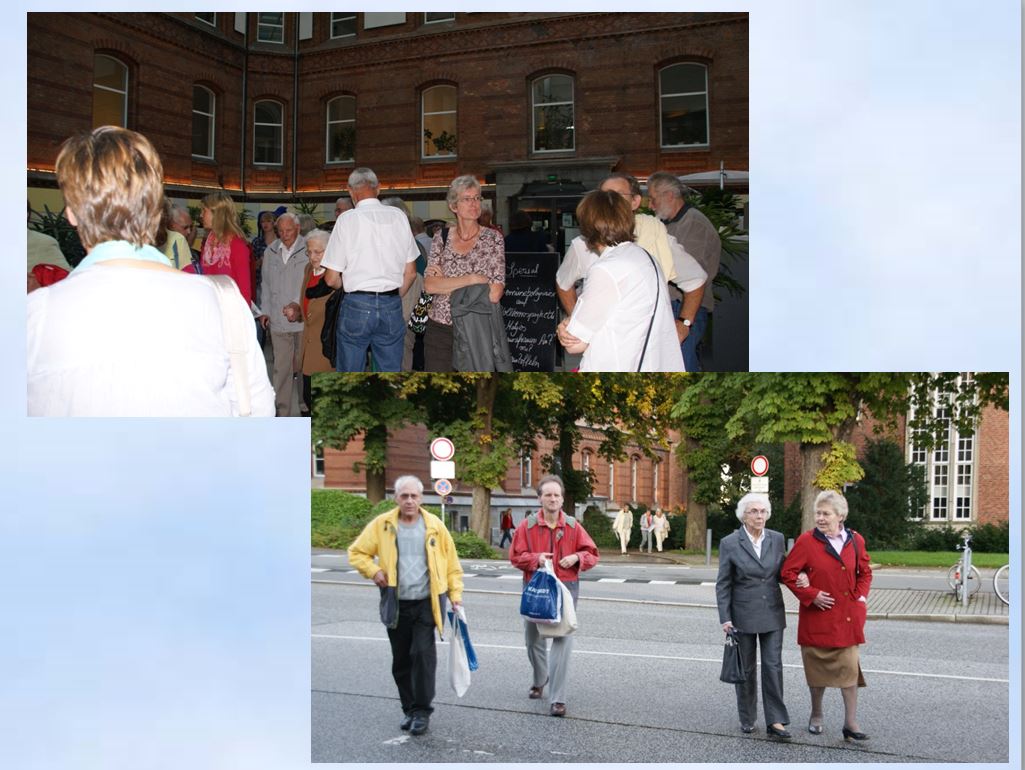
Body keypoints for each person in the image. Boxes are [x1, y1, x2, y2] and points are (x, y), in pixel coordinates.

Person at [27, 126, 274, 416]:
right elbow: (258, 411)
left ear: (71, 212)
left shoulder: (35, 316)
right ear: (157, 211)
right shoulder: (223, 303)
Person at [347, 475, 464, 737]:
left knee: (422, 656)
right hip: (396, 601)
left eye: (414, 496)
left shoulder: (434, 526)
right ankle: (409, 709)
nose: (409, 501)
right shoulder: (383, 525)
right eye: (404, 496)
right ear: (396, 498)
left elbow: (452, 565)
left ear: (421, 498)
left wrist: (456, 595)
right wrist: (373, 571)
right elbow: (356, 553)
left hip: (427, 602)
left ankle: (422, 712)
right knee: (401, 661)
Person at [555, 190, 684, 371]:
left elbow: (574, 344)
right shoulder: (645, 257)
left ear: (587, 227)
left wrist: (564, 327)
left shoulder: (606, 269)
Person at [781, 490, 873, 741]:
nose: (820, 518)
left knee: (850, 672)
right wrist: (811, 594)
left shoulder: (855, 540)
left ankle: (851, 723)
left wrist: (861, 599)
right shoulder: (807, 541)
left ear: (840, 515)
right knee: (817, 674)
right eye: (817, 513)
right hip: (818, 619)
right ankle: (816, 714)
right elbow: (788, 573)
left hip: (847, 620)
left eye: (825, 513)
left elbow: (865, 572)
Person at [556, 173, 706, 320]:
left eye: (618, 195)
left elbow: (695, 279)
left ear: (635, 201)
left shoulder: (654, 235)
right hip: (602, 338)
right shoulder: (582, 244)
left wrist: (684, 324)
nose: (610, 202)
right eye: (605, 196)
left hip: (646, 336)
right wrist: (576, 319)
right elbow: (563, 283)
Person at [509, 475, 599, 717]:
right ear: (540, 498)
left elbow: (592, 553)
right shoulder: (526, 527)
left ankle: (557, 698)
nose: (552, 499)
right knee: (533, 640)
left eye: (556, 495)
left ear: (562, 499)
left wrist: (577, 558)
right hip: (536, 589)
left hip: (565, 590)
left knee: (563, 641)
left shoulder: (572, 526)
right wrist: (535, 559)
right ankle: (540, 679)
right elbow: (515, 557)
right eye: (548, 494)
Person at [321, 167, 419, 372]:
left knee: (350, 374)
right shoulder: (399, 216)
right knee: (390, 373)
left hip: (357, 303)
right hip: (391, 303)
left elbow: (330, 279)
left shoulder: (346, 220)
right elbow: (410, 273)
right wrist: (390, 297)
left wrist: (347, 285)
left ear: (350, 191)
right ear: (379, 189)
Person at [715, 493, 792, 738]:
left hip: (772, 613)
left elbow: (783, 573)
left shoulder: (777, 539)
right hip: (742, 614)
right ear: (743, 516)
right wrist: (725, 618)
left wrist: (802, 578)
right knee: (746, 670)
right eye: (754, 512)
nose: (759, 516)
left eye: (763, 511)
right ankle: (747, 717)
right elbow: (723, 583)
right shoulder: (730, 542)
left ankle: (776, 720)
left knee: (773, 666)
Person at [423, 175, 506, 371]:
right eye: (467, 199)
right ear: (453, 206)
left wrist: (446, 282)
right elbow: (430, 285)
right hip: (439, 329)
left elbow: (494, 292)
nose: (474, 204)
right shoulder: (440, 237)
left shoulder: (493, 239)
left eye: (477, 198)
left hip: (476, 327)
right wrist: (474, 279)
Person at [647, 172, 721, 372]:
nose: (650, 205)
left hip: (686, 309)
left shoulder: (694, 223)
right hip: (675, 306)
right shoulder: (669, 224)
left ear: (669, 195)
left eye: (653, 199)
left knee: (681, 364)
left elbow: (693, 276)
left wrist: (684, 321)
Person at [257, 212, 308, 417]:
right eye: (281, 231)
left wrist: (299, 307)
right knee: (281, 370)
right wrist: (265, 311)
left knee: (305, 369)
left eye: (289, 230)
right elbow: (266, 285)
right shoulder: (271, 251)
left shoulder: (309, 248)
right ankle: (282, 413)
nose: (285, 235)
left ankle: (306, 406)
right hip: (278, 321)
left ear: (298, 229)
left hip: (304, 321)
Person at [293, 228, 337, 414]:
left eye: (318, 252)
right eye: (309, 252)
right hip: (307, 348)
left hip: (327, 350)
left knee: (323, 405)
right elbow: (307, 306)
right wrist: (296, 309)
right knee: (307, 399)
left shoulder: (336, 277)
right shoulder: (308, 270)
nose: (312, 257)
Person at [197, 191, 253, 306]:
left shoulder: (238, 246)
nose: (201, 215)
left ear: (216, 213)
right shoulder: (207, 244)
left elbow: (245, 292)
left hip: (230, 312)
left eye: (204, 210)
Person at [155, 198, 192, 270]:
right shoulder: (139, 240)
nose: (189, 232)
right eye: (185, 227)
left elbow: (187, 271)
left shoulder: (178, 239)